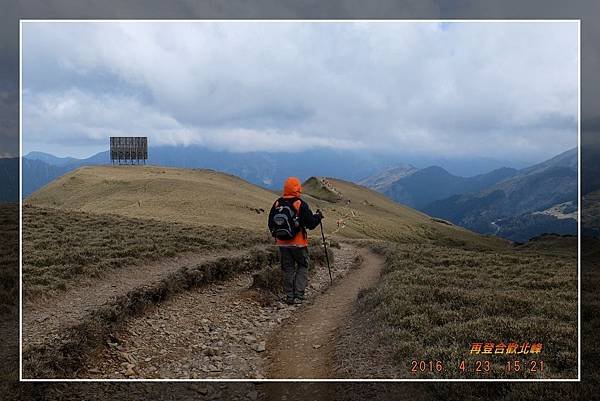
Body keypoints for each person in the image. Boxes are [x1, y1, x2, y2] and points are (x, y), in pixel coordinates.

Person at [268, 177, 323, 305]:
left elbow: (270, 222)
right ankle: (299, 295)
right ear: (298, 188)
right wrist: (318, 217)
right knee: (303, 265)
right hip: (298, 243)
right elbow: (310, 224)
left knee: (287, 269)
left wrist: (277, 236)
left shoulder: (277, 203)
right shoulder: (300, 204)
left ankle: (289, 296)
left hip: (282, 243)